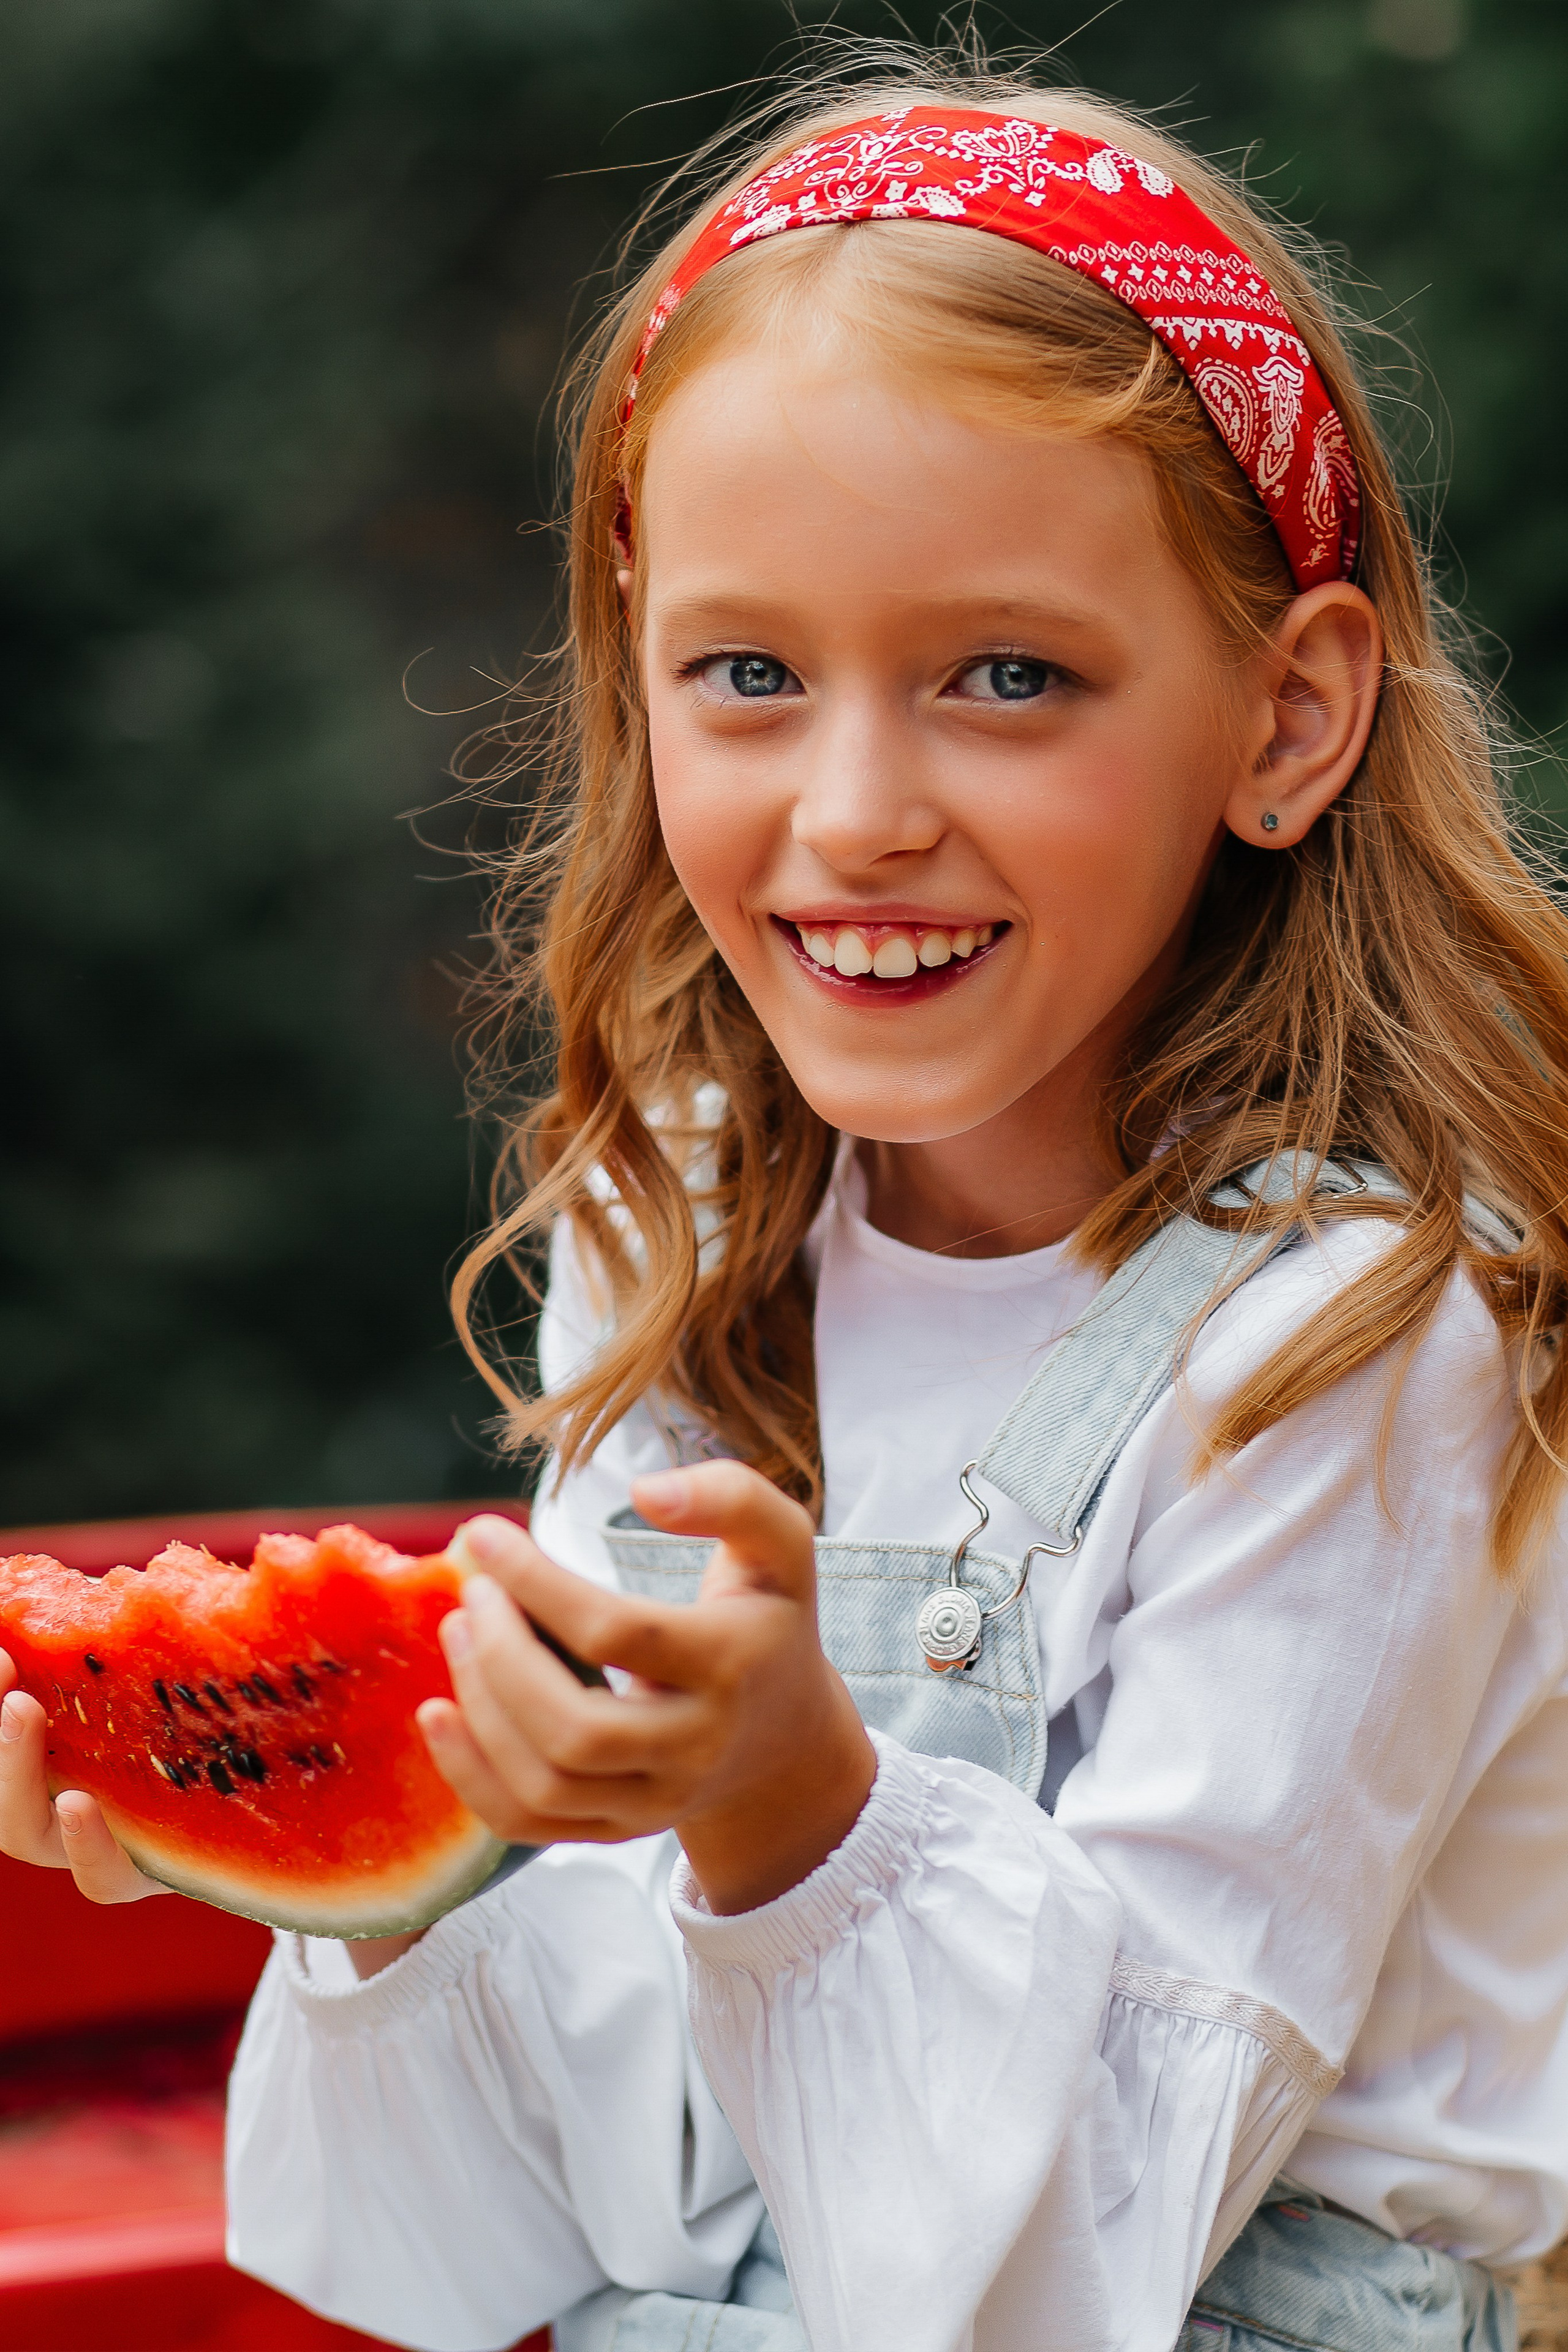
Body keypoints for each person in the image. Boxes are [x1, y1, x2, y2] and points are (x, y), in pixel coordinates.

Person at [5, 45, 1568, 2352]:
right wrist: (385, 1883)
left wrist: (796, 1820)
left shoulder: (1357, 1342)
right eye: (747, 673)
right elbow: (530, 2237)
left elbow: (1092, 2257)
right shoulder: (685, 1239)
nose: (853, 811)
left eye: (1006, 678)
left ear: (1288, 717)